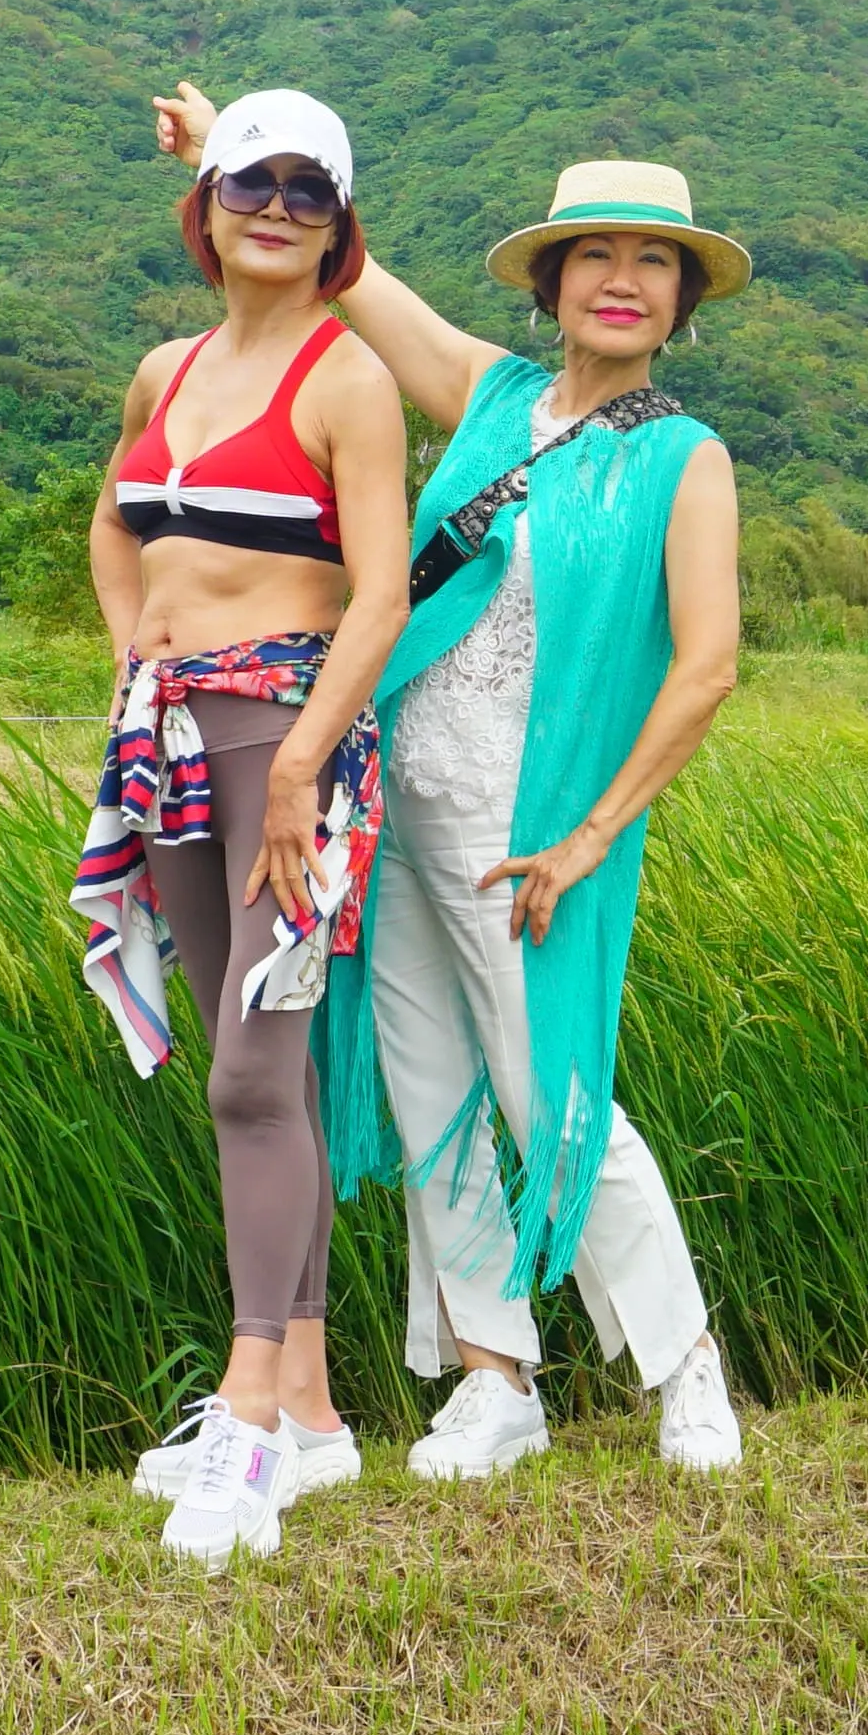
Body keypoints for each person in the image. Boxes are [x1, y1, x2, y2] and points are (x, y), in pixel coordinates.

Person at [159, 83, 753, 1481]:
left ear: (680, 298)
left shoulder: (686, 458)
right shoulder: (490, 396)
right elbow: (347, 267)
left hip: (532, 830)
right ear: (553, 282)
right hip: (396, 810)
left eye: (651, 261)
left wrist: (594, 836)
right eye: (594, 257)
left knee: (555, 1096)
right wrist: (227, 146)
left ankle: (686, 1367)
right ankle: (496, 1377)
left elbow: (707, 667)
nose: (621, 281)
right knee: (428, 1091)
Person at [74, 84, 417, 1569]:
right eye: (246, 183)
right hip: (173, 744)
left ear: (338, 226)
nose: (272, 207)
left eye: (303, 190)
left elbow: (385, 592)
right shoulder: (168, 368)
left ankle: (249, 1411)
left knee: (251, 1073)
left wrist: (302, 769)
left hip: (290, 737)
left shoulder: (349, 383)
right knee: (242, 1060)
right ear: (203, 207)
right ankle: (319, 1409)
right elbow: (111, 525)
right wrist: (131, 665)